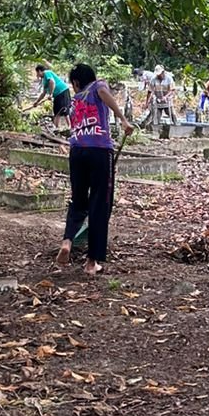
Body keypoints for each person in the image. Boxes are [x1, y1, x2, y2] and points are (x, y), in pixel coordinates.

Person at [55, 63, 134, 277]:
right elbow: (104, 93)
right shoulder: (97, 86)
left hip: (77, 151)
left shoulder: (75, 100)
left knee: (78, 201)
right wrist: (123, 119)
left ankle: (67, 241)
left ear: (76, 82)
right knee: (100, 203)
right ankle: (92, 262)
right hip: (99, 150)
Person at [30, 63, 72, 132]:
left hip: (62, 91)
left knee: (60, 110)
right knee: (61, 110)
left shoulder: (47, 73)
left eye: (37, 73)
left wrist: (51, 94)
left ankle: (58, 128)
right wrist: (36, 102)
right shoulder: (44, 80)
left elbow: (52, 82)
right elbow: (43, 93)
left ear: (40, 71)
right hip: (59, 93)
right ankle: (64, 127)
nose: (37, 75)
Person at [143, 64, 176, 135]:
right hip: (158, 101)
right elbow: (149, 91)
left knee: (172, 114)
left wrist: (166, 97)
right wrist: (147, 103)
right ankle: (155, 132)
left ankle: (176, 128)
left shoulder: (169, 78)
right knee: (156, 117)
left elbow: (172, 90)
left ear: (163, 72)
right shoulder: (153, 79)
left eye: (160, 74)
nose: (159, 76)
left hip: (167, 101)